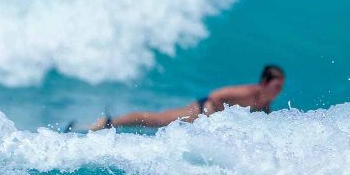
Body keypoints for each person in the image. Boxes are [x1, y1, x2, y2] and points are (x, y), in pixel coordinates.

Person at [69, 65, 285, 132]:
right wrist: (209, 116)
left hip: (210, 119)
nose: (278, 91)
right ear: (264, 82)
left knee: (156, 123)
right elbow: (215, 96)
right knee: (156, 120)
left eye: (281, 87)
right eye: (276, 86)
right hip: (200, 111)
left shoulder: (265, 103)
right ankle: (106, 123)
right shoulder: (248, 92)